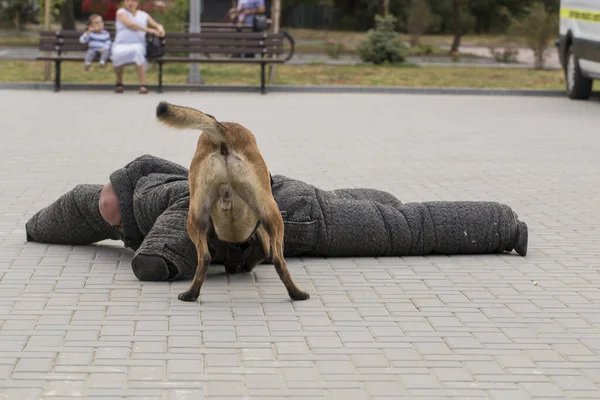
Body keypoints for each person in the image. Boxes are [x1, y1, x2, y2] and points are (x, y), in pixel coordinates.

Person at [25, 155, 529, 282]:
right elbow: (69, 209)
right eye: (104, 203)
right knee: (370, 208)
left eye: (109, 198)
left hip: (295, 216)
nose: (104, 202)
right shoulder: (117, 198)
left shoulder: (171, 203)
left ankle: (502, 224)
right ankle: (380, 201)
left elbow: (158, 260)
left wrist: (155, 262)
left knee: (402, 231)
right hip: (281, 192)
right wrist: (33, 229)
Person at [110, 0, 165, 94]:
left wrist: (160, 29)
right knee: (117, 53)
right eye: (128, 1)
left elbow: (156, 25)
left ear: (137, 3)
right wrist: (149, 30)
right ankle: (119, 83)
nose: (131, 3)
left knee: (137, 52)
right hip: (121, 43)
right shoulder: (121, 12)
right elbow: (130, 25)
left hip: (138, 44)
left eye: (133, 1)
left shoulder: (144, 15)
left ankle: (143, 84)